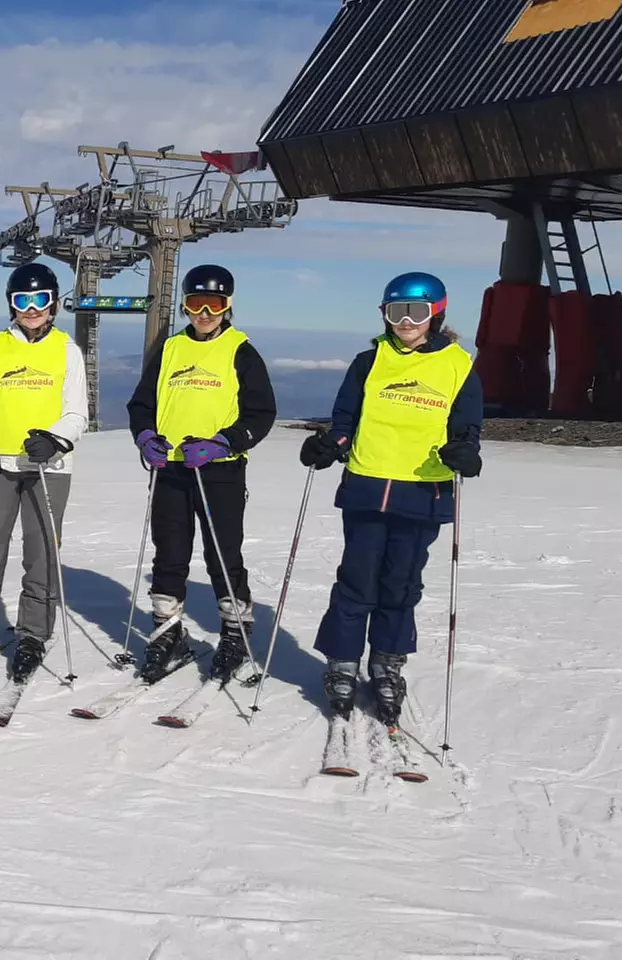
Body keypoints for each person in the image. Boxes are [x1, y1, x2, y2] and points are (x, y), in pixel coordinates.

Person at [300, 271, 482, 726]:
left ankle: (387, 662)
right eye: (396, 311)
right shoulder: (369, 361)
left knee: (401, 583)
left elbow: (466, 426)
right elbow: (346, 419)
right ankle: (343, 662)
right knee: (356, 579)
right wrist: (331, 444)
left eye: (416, 312)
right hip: (367, 485)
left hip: (423, 490)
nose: (405, 321)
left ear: (435, 314)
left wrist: (465, 451)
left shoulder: (458, 365)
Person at [125, 264, 276, 682]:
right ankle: (167, 631)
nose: (205, 313)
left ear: (228, 306)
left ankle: (235, 631)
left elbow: (261, 412)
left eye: (214, 304)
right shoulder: (171, 349)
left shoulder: (240, 351)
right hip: (171, 468)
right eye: (196, 304)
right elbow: (142, 404)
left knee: (222, 554)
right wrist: (145, 436)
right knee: (169, 553)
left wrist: (226, 442)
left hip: (219, 472)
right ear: (185, 306)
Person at [0, 262, 88, 682]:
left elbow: (77, 412)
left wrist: (56, 440)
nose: (31, 308)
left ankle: (33, 634)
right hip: (0, 463)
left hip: (48, 466)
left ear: (53, 303)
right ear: (11, 304)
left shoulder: (66, 350)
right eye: (22, 300)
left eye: (40, 299)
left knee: (41, 551)